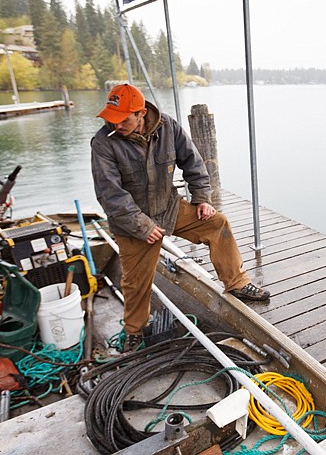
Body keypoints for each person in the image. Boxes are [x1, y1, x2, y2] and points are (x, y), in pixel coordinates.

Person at [91, 83, 270, 353]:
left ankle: (237, 283)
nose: (115, 124)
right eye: (110, 118)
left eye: (123, 119)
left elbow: (193, 163)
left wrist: (201, 199)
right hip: (131, 224)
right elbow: (110, 195)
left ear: (141, 113)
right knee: (135, 281)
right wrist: (143, 226)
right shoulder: (104, 143)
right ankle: (134, 332)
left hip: (170, 208)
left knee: (217, 224)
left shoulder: (168, 127)